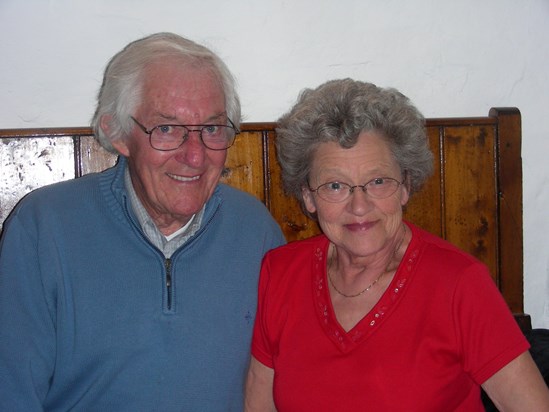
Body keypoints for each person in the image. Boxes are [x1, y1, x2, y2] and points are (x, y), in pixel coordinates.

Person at [0, 32, 285, 411]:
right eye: (167, 129)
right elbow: (12, 392)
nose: (195, 156)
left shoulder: (256, 230)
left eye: (213, 129)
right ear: (118, 134)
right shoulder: (44, 228)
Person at [244, 78, 549, 411]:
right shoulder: (280, 273)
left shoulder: (460, 284)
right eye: (335, 185)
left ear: (405, 185)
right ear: (308, 196)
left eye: (378, 181)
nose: (359, 206)